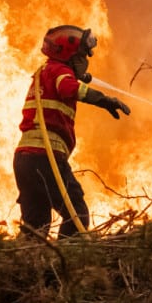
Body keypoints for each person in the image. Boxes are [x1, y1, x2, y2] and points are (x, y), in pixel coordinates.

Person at [14, 25, 130, 237]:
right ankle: (65, 264)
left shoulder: (42, 73)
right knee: (76, 215)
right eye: (83, 55)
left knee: (35, 226)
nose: (85, 60)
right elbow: (69, 88)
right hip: (45, 158)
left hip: (24, 161)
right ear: (68, 54)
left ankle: (23, 267)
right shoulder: (60, 71)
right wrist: (104, 100)